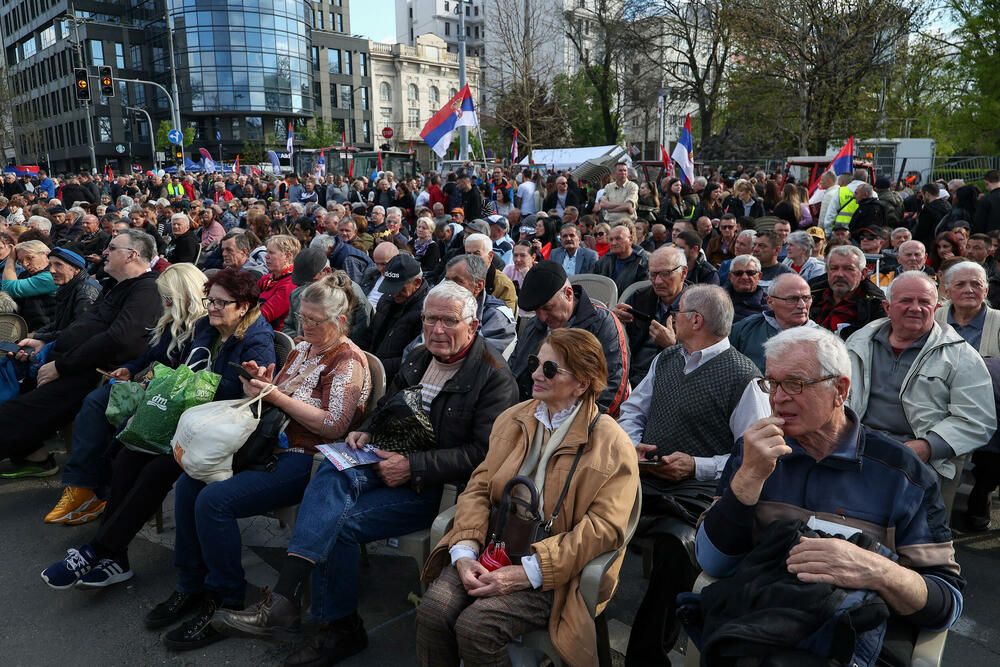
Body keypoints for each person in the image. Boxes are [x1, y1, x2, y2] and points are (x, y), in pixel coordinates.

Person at [211, 282, 519, 665]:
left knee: (336, 523)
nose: (436, 329)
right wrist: (368, 428)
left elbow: (484, 455)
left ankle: (333, 627)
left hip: (435, 489)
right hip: (385, 460)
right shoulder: (421, 357)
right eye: (429, 319)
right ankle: (298, 605)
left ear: (472, 327)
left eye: (448, 321)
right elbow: (389, 405)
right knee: (333, 466)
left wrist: (414, 466)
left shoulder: (493, 376)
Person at [696, 327, 965, 666]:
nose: (777, 398)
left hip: (849, 640)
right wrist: (749, 477)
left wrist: (876, 569)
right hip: (759, 632)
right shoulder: (757, 453)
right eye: (771, 383)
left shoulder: (901, 473)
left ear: (840, 390)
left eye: (795, 383)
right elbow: (713, 562)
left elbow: (946, 604)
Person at [146, 273, 369, 650]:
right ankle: (190, 585)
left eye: (316, 321)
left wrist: (277, 398)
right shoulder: (302, 348)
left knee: (214, 501)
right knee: (188, 484)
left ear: (341, 321)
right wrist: (262, 383)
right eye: (303, 318)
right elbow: (277, 392)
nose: (306, 327)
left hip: (306, 460)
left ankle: (225, 594)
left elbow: (334, 426)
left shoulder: (347, 361)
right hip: (268, 446)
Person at [415, 328, 639, 666]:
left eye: (550, 369)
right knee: (433, 610)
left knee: (477, 626)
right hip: (494, 546)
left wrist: (530, 572)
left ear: (581, 383)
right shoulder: (514, 418)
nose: (534, 374)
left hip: (557, 571)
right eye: (536, 363)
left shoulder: (611, 443)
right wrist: (464, 551)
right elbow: (478, 487)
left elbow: (602, 530)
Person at [40, 268, 275, 588]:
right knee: (126, 456)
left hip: (220, 429)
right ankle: (115, 556)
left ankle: (98, 550)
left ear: (243, 306)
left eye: (221, 303)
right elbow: (178, 369)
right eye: (210, 300)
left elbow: (245, 393)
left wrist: (203, 383)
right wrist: (156, 393)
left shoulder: (257, 338)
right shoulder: (207, 325)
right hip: (188, 418)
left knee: (157, 470)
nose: (212, 308)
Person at [617, 284, 770, 664]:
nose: (673, 317)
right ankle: (570, 623)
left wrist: (696, 465)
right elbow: (633, 411)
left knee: (676, 549)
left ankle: (646, 655)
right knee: (582, 508)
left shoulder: (744, 377)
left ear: (696, 320)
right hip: (643, 476)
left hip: (699, 494)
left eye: (678, 311)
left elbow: (754, 455)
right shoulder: (667, 358)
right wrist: (632, 445)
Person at [0, 230, 161, 477]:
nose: (105, 252)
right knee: (16, 398)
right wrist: (43, 342)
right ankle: (35, 456)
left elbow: (118, 338)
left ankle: (49, 465)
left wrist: (61, 366)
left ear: (132, 255)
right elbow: (82, 326)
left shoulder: (146, 290)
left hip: (92, 373)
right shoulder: (116, 285)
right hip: (68, 363)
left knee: (18, 412)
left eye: (113, 248)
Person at [846, 271, 995, 490]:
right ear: (887, 307)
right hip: (856, 446)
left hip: (921, 459)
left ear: (936, 309)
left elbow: (977, 420)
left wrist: (927, 446)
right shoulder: (857, 343)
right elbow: (837, 398)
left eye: (924, 302)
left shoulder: (960, 354)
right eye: (906, 300)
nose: (915, 308)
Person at [509, 260, 630, 416]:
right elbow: (513, 369)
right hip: (529, 414)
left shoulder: (604, 325)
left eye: (547, 308)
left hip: (582, 421)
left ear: (568, 294)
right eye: (536, 310)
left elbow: (612, 389)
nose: (542, 317)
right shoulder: (534, 325)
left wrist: (577, 425)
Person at [614, 246, 688, 387]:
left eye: (666, 273)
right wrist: (615, 321)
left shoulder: (698, 306)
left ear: (683, 273)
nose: (658, 281)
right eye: (653, 274)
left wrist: (672, 346)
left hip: (675, 383)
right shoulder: (639, 297)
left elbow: (706, 358)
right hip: (632, 378)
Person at [360, 253, 428, 384]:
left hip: (394, 379)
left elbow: (414, 357)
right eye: (390, 287)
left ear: (417, 283)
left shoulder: (426, 312)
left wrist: (375, 367)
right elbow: (370, 334)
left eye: (400, 288)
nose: (394, 293)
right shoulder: (387, 298)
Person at [730, 273, 820, 370]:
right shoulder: (747, 328)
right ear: (770, 302)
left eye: (806, 298)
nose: (802, 305)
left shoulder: (823, 339)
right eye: (792, 299)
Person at [281, 249, 372, 343]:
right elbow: (287, 326)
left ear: (327, 271)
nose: (308, 287)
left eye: (313, 281)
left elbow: (360, 336)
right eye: (305, 283)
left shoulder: (352, 295)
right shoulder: (297, 294)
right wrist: (295, 338)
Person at [440, 254, 516, 355]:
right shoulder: (441, 306)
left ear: (478, 286)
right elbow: (420, 346)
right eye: (447, 280)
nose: (448, 287)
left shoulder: (497, 317)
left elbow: (482, 359)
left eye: (457, 281)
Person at [809, 245, 887, 339]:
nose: (839, 274)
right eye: (834, 268)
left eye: (848, 269)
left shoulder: (876, 305)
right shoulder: (809, 294)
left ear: (863, 273)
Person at [28, 247, 100, 343]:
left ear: (76, 269)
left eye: (58, 265)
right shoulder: (69, 286)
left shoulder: (86, 293)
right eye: (50, 265)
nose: (52, 270)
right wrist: (37, 334)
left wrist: (38, 337)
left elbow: (79, 333)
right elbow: (60, 323)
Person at [935, 261, 1000, 357]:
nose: (968, 290)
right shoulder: (934, 318)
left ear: (986, 291)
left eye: (976, 284)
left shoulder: (997, 321)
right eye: (960, 284)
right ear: (947, 291)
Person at [0, 239, 57, 331]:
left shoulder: (51, 276)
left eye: (30, 258)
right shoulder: (25, 274)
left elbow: (9, 288)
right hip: (27, 328)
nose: (25, 264)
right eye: (20, 261)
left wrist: (11, 258)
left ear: (46, 254)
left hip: (44, 331)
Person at [463, 232, 518, 313]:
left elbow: (503, 321)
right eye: (468, 254)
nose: (471, 259)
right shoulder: (457, 277)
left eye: (476, 254)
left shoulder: (504, 285)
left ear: (490, 255)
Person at [257, 234, 300, 330]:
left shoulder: (290, 284)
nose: (266, 256)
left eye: (271, 253)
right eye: (266, 252)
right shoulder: (267, 278)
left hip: (273, 337)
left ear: (287, 256)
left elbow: (264, 315)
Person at [595, 223, 649, 293]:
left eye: (618, 239)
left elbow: (643, 291)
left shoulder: (642, 262)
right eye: (611, 240)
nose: (614, 243)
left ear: (630, 239)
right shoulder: (605, 260)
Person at [725, 254, 768, 322]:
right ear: (730, 276)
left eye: (750, 273)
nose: (744, 277)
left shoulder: (769, 305)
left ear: (759, 276)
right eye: (738, 273)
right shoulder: (717, 300)